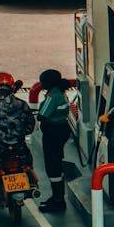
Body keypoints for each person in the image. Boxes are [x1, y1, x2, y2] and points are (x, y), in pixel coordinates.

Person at [35, 70, 72, 212]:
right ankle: (57, 196)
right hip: (61, 131)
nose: (41, 84)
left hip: (53, 133)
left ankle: (58, 201)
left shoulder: (52, 96)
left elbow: (42, 115)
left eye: (42, 81)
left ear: (48, 83)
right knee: (57, 163)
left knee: (52, 166)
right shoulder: (60, 92)